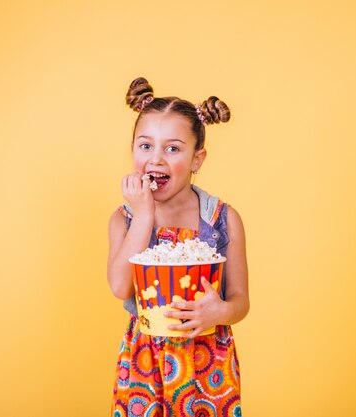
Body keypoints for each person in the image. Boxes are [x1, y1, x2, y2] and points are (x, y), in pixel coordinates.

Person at [107, 77, 249, 417]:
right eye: (145, 146)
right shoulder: (123, 219)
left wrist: (221, 312)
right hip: (144, 360)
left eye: (173, 149)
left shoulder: (222, 219)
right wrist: (144, 215)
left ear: (197, 159)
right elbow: (120, 286)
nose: (156, 158)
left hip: (208, 363)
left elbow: (241, 301)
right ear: (132, 150)